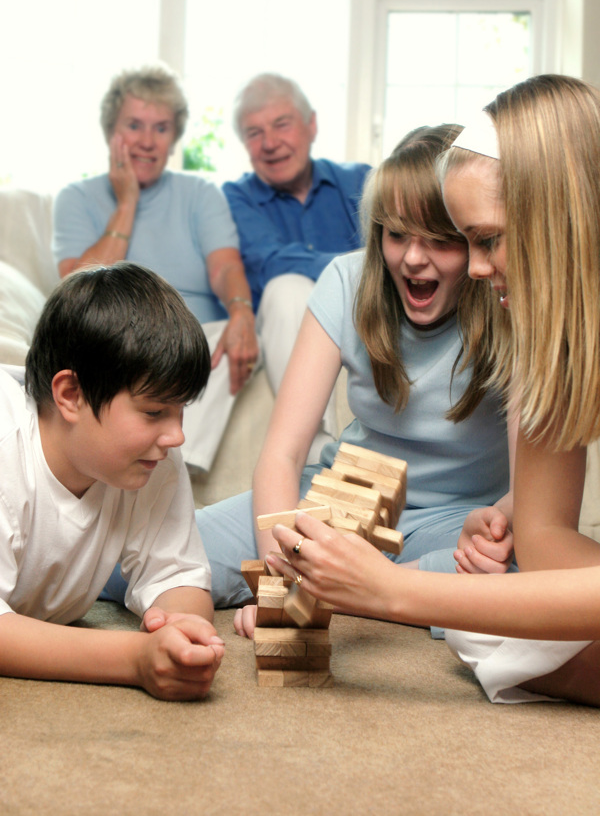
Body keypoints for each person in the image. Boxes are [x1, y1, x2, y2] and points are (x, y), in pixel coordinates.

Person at [264, 75, 600, 708]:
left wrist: (388, 592)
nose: (475, 268)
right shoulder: (547, 335)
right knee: (493, 636)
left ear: (560, 219)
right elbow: (547, 537)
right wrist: (508, 524)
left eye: (487, 240)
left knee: (505, 627)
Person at [196, 124, 515, 623]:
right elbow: (281, 453)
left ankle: (370, 590)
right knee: (157, 557)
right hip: (333, 500)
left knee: (525, 583)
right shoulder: (346, 280)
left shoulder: (511, 296)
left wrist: (493, 529)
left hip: (454, 523)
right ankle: (368, 591)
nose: (412, 258)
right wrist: (280, 578)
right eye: (396, 234)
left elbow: (536, 496)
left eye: (439, 239)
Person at [0, 262, 224, 701]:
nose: (176, 435)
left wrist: (178, 630)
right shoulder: (7, 449)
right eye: (155, 411)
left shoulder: (150, 457)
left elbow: (176, 573)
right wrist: (134, 658)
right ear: (71, 395)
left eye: (180, 411)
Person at [52, 63, 259, 472]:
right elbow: (77, 287)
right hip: (119, 340)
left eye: (161, 128)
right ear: (112, 131)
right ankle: (166, 474)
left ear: (174, 137)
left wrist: (241, 309)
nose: (147, 141)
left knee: (217, 338)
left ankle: (176, 469)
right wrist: (126, 203)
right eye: (134, 125)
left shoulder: (200, 194)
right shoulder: (76, 197)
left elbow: (224, 267)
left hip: (197, 337)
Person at [224, 73, 371, 459]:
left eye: (281, 125)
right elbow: (270, 261)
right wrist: (361, 264)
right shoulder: (235, 197)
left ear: (312, 125)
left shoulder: (361, 181)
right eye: (254, 133)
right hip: (285, 322)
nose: (270, 143)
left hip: (364, 320)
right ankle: (314, 447)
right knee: (287, 284)